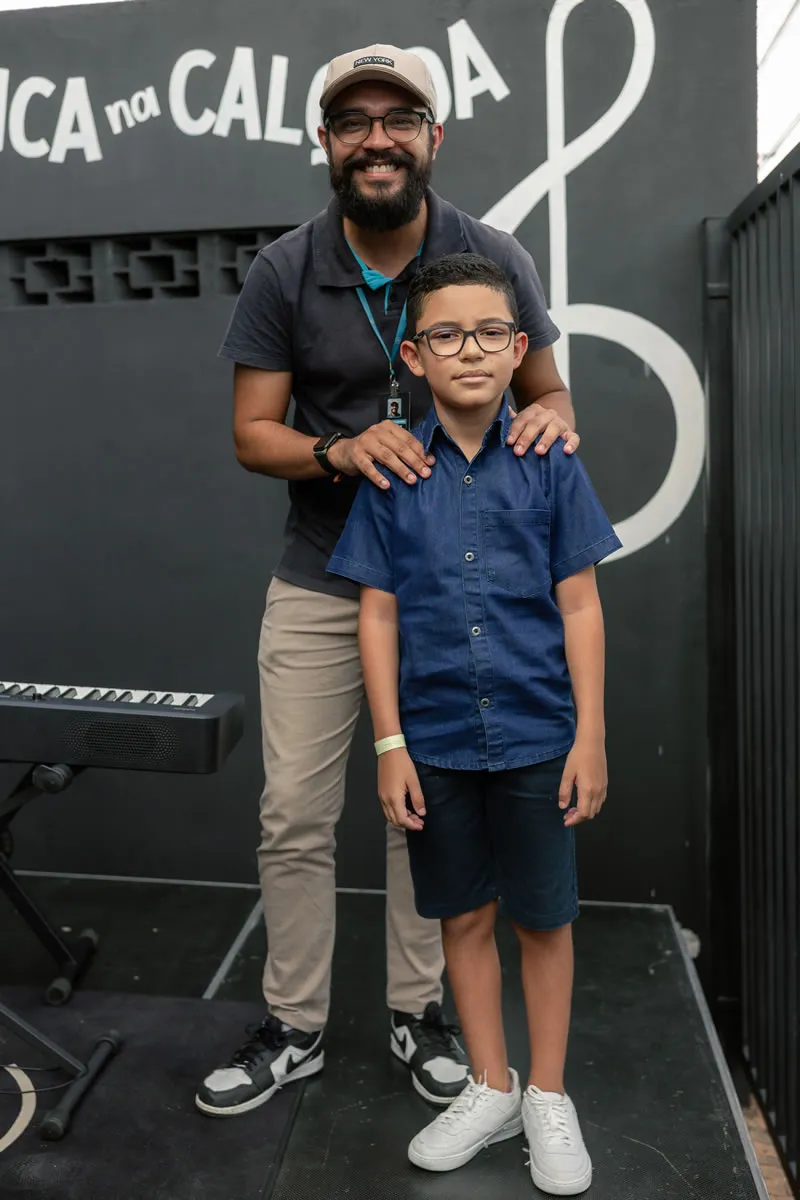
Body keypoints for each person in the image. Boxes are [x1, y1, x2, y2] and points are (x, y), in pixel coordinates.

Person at [196, 43, 581, 1119]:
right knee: (294, 813)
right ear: (325, 142)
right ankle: (296, 1025)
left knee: (435, 806)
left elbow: (551, 395)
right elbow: (252, 433)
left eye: (398, 118)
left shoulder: (491, 252)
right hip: (326, 578)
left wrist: (549, 419)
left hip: (457, 592)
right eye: (353, 121)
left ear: (431, 137)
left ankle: (420, 1013)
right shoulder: (285, 268)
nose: (377, 139)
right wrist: (339, 449)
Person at [327, 252, 620, 1194]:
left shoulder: (550, 461)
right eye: (446, 334)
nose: (470, 350)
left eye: (490, 332)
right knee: (461, 914)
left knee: (544, 918)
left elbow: (581, 605)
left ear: (518, 347)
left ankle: (547, 1094)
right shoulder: (391, 474)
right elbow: (377, 616)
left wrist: (589, 735)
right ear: (414, 356)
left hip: (539, 734)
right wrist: (389, 744)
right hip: (436, 739)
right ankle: (490, 1086)